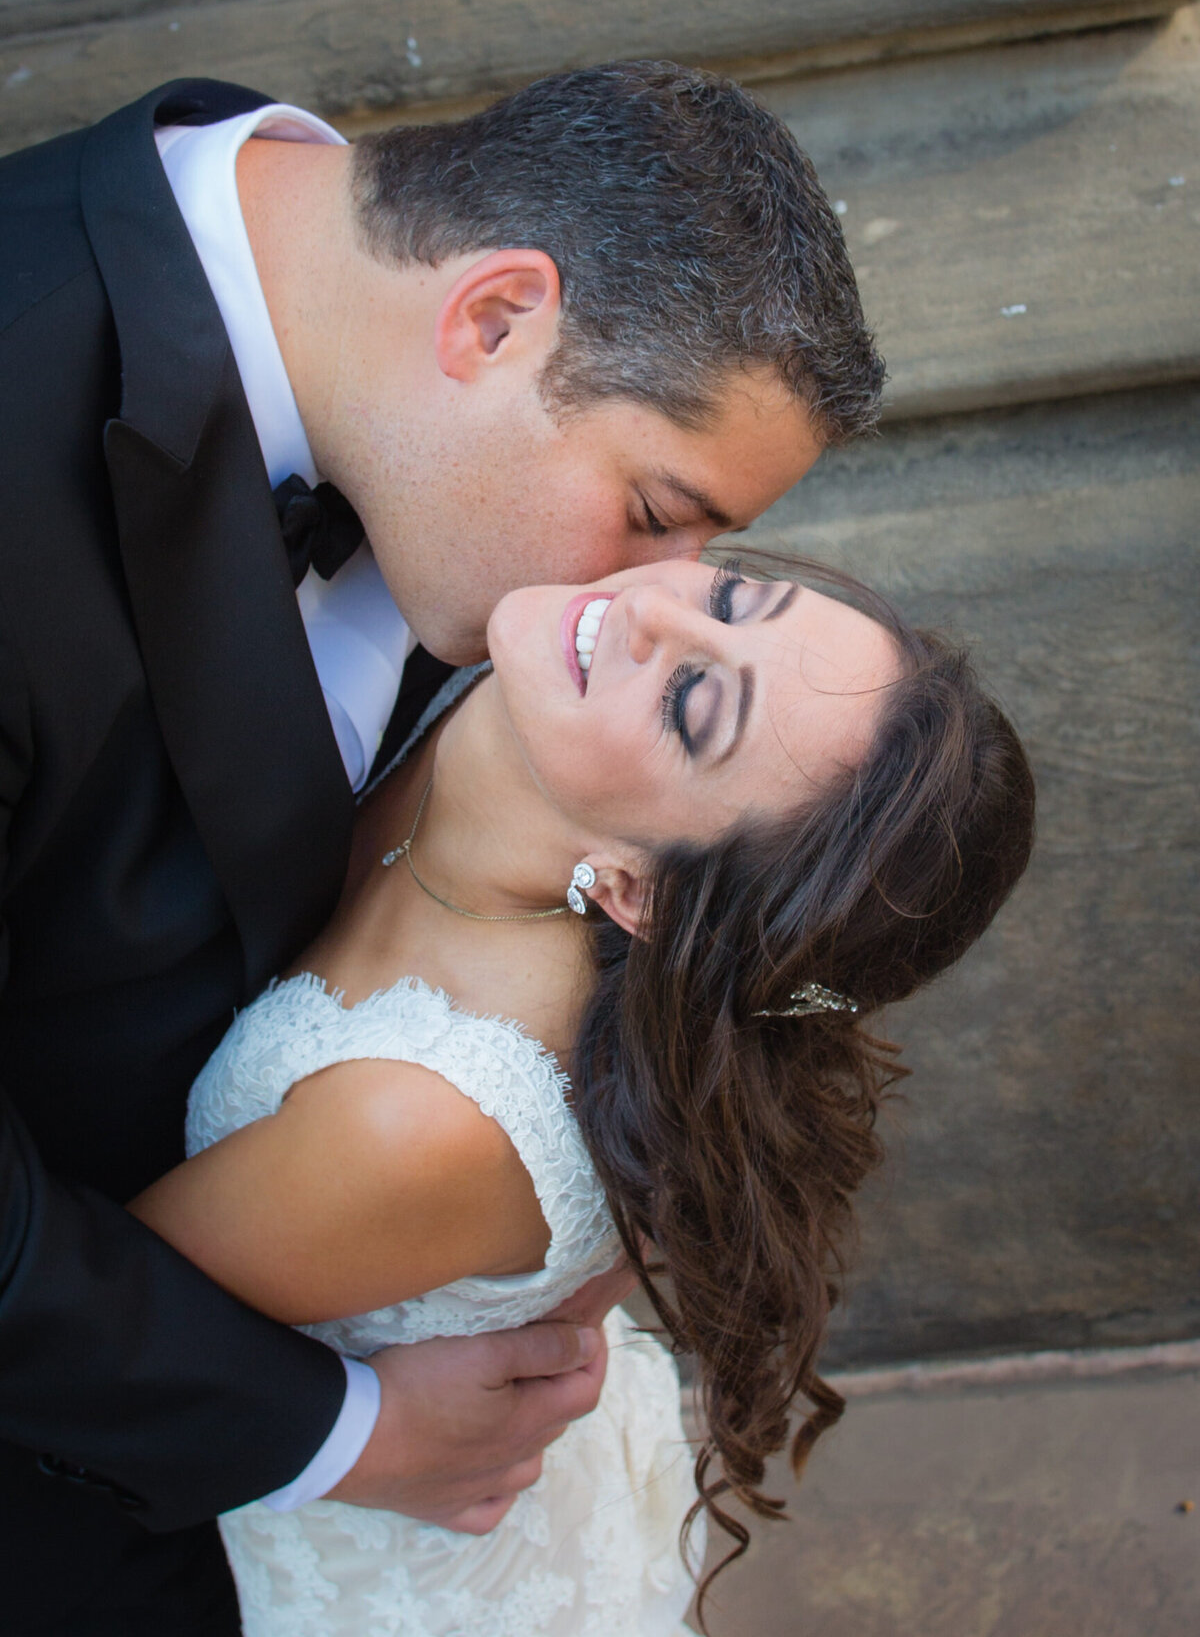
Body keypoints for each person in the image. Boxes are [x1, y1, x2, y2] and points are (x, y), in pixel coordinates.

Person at [0, 62, 884, 1632]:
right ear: (492, 320)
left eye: (713, 556)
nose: (656, 593)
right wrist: (336, 1428)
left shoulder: (395, 380)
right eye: (655, 509)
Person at [128, 552, 1036, 1635]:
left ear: (634, 891)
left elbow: (89, 1327)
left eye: (694, 703)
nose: (653, 605)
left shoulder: (423, 1122)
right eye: (734, 597)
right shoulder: (531, 689)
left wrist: (361, 1429)